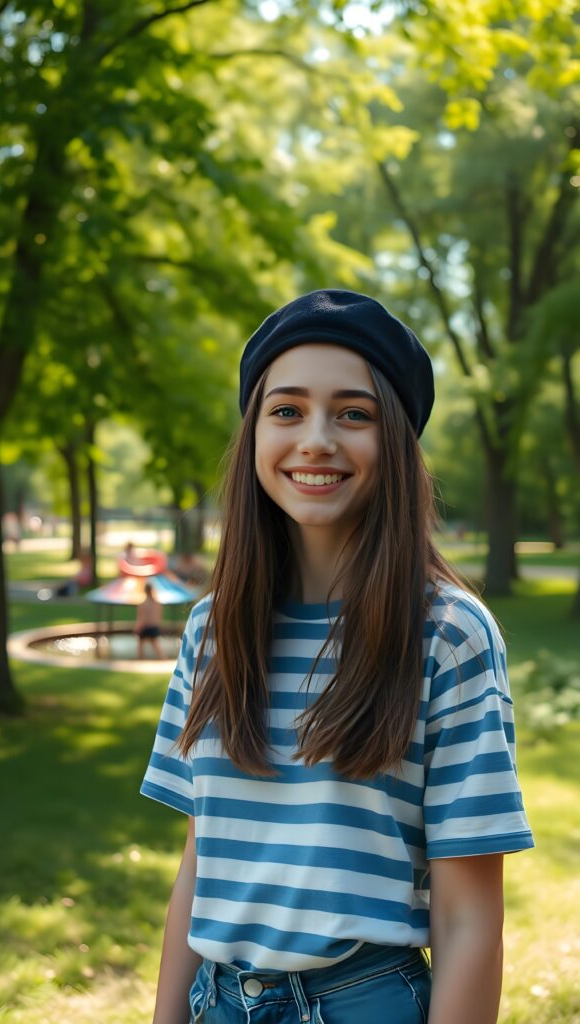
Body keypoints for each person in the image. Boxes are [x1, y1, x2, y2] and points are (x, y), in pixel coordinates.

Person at [141, 290, 534, 1024]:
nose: (315, 438)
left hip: (363, 1001)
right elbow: (202, 862)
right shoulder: (211, 631)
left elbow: (468, 919)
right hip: (217, 1002)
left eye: (352, 414)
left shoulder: (448, 635)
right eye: (285, 410)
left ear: (395, 440)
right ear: (253, 433)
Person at [135, 582, 164, 659]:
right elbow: (158, 616)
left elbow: (142, 618)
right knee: (156, 645)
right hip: (155, 627)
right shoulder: (157, 603)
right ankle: (163, 659)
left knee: (140, 645)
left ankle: (140, 660)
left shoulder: (143, 604)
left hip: (146, 627)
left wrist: (138, 627)